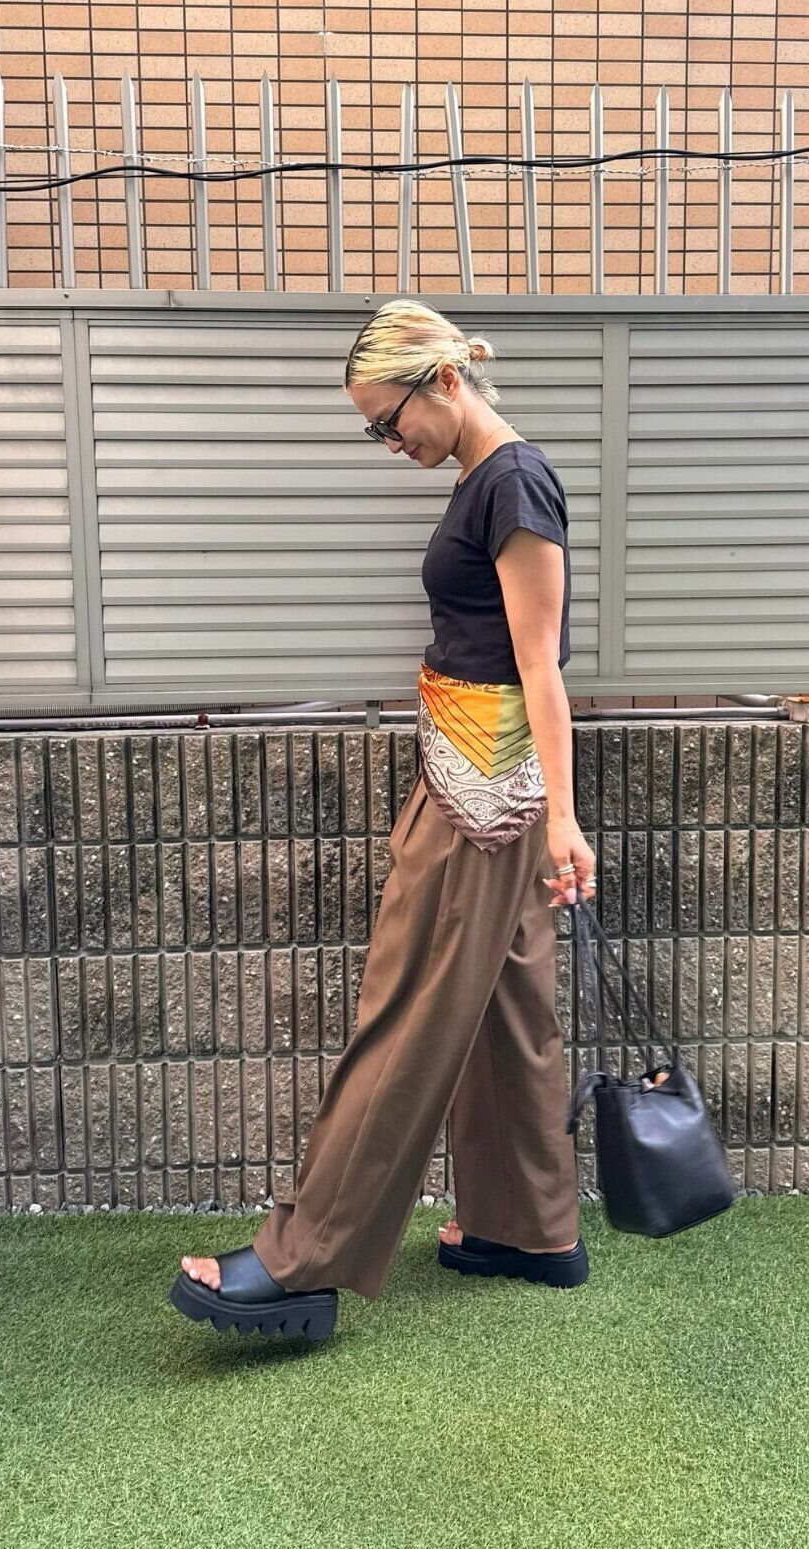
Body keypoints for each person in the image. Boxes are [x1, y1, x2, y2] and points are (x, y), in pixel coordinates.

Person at [169, 299, 604, 1342]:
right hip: (479, 778)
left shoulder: (513, 481)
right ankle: (529, 1227)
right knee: (507, 1008)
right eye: (375, 429)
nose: (388, 441)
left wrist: (563, 818)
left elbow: (541, 664)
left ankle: (301, 1259)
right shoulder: (484, 477)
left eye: (388, 420)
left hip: (481, 795)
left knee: (402, 1012)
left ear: (443, 381)